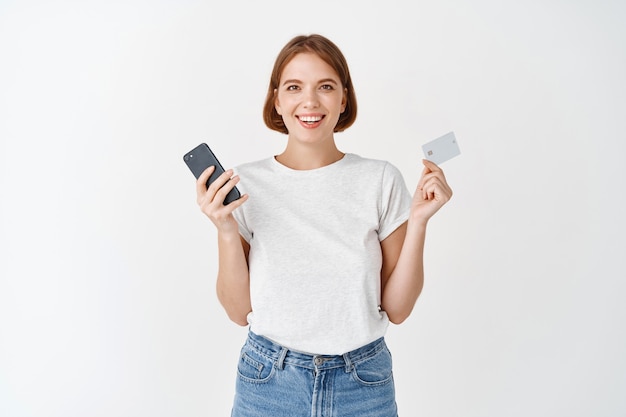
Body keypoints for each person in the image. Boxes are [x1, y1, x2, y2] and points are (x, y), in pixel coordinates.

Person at [195, 34, 453, 417]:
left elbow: (396, 309)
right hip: (269, 383)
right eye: (294, 87)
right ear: (277, 100)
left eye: (326, 87)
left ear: (344, 99)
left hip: (363, 383)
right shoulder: (243, 185)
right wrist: (226, 229)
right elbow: (237, 311)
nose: (310, 102)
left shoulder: (380, 179)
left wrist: (417, 222)